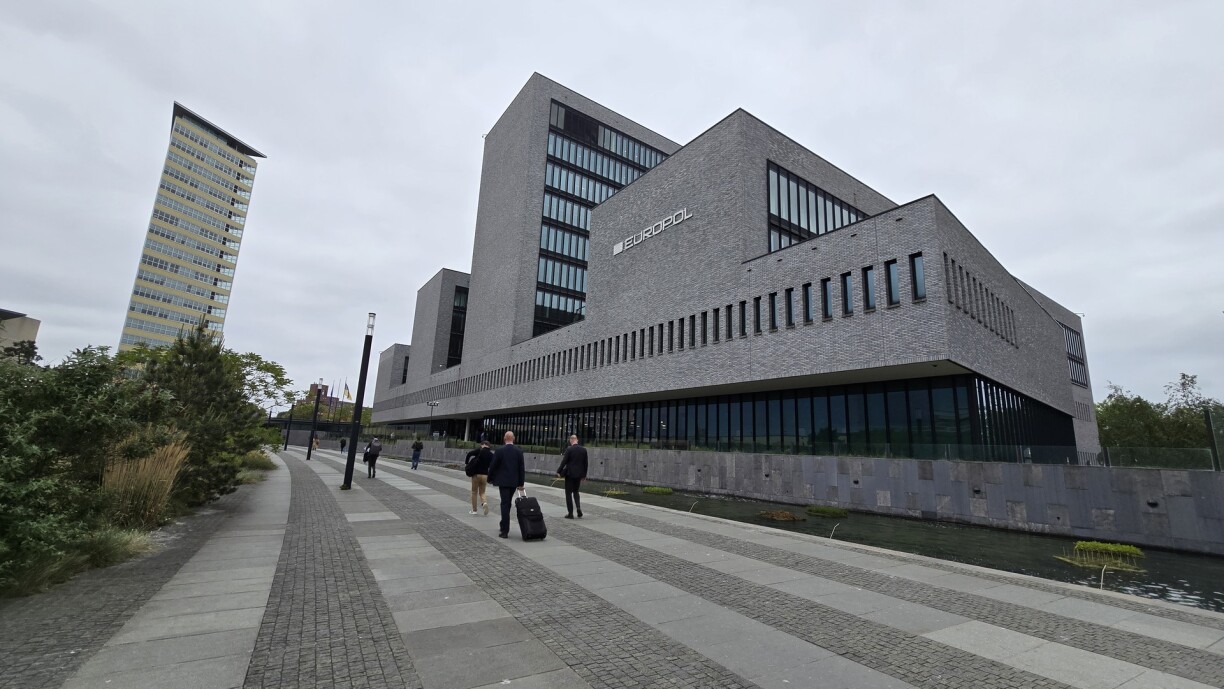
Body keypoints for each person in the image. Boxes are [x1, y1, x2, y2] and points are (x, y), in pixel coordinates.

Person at [486, 431, 525, 538]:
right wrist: (521, 483)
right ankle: (503, 524)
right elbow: (521, 468)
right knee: (507, 503)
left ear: (504, 439)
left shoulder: (499, 451)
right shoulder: (519, 452)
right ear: (514, 439)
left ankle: (504, 530)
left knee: (504, 503)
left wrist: (489, 478)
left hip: (503, 482)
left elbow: (493, 466)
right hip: (513, 482)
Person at [557, 434, 589, 519]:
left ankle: (570, 513)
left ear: (571, 440)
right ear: (577, 440)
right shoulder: (583, 450)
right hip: (579, 475)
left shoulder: (569, 449)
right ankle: (578, 507)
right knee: (576, 491)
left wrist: (559, 471)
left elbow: (564, 461)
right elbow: (586, 464)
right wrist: (584, 475)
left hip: (570, 474)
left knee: (568, 493)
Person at [464, 441, 493, 515]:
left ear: (483, 445)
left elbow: (470, 454)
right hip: (485, 475)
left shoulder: (480, 450)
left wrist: (467, 463)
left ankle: (474, 510)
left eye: (481, 445)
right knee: (482, 492)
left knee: (474, 492)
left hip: (476, 474)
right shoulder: (491, 454)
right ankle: (484, 503)